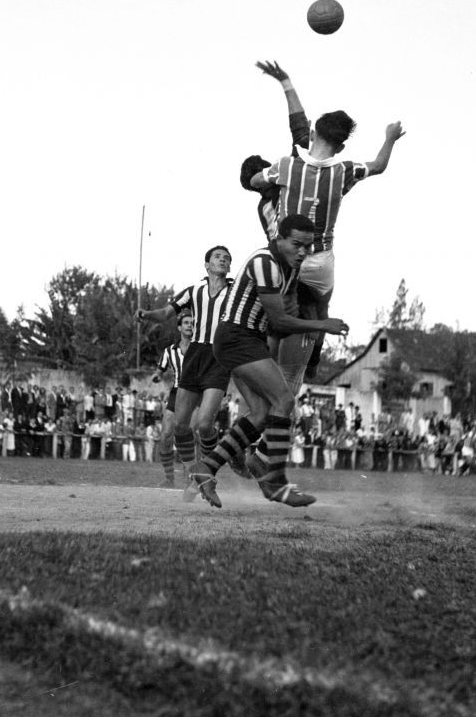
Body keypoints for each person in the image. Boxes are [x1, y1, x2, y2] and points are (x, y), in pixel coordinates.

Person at [247, 60, 406, 391]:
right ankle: (315, 354)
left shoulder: (285, 167)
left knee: (274, 312)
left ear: (314, 134)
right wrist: (390, 137)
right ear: (342, 146)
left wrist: (259, 178)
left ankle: (263, 349)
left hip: (284, 256)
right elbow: (377, 166)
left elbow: (256, 177)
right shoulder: (344, 170)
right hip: (319, 259)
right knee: (321, 306)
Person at [187, 215, 350, 509]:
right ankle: (272, 480)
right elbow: (279, 320)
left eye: (307, 247)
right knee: (285, 401)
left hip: (245, 341)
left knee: (261, 413)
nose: (302, 252)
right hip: (238, 338)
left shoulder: (287, 270)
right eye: (296, 244)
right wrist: (323, 324)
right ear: (280, 239)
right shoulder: (265, 263)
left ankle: (207, 467)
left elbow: (276, 326)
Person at [137, 245, 234, 499]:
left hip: (219, 357)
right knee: (180, 425)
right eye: (217, 257)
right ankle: (196, 476)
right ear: (207, 265)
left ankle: (207, 471)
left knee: (204, 424)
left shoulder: (235, 292)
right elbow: (167, 313)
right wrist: (147, 315)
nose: (222, 260)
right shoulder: (193, 292)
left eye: (226, 259)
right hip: (194, 356)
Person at [151, 312, 194, 487]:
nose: (189, 325)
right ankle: (169, 478)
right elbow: (159, 369)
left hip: (195, 392)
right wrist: (156, 376)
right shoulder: (169, 351)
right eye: (186, 322)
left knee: (192, 434)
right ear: (179, 327)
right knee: (166, 435)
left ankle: (192, 476)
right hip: (177, 392)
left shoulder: (201, 348)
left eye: (192, 323)